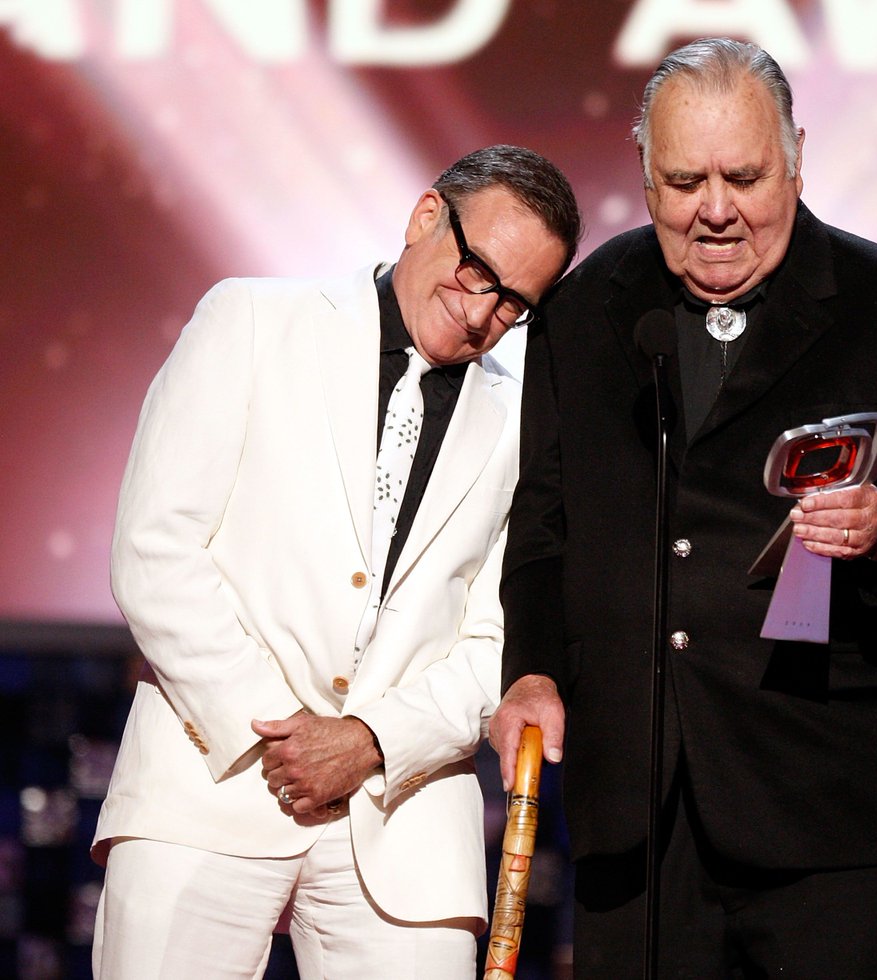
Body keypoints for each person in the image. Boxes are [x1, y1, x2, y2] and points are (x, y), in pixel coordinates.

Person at [491, 39, 877, 979]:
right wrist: (529, 672)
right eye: (684, 181)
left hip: (835, 817)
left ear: (798, 157)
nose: (715, 211)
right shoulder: (585, 310)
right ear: (643, 176)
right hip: (638, 812)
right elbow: (543, 523)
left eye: (744, 176)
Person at [91, 144, 581, 979]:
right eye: (477, 274)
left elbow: (501, 638)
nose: (481, 314)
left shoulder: (523, 415)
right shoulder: (250, 320)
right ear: (427, 217)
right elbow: (154, 548)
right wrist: (278, 732)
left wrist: (368, 741)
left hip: (406, 811)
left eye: (513, 305)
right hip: (207, 773)